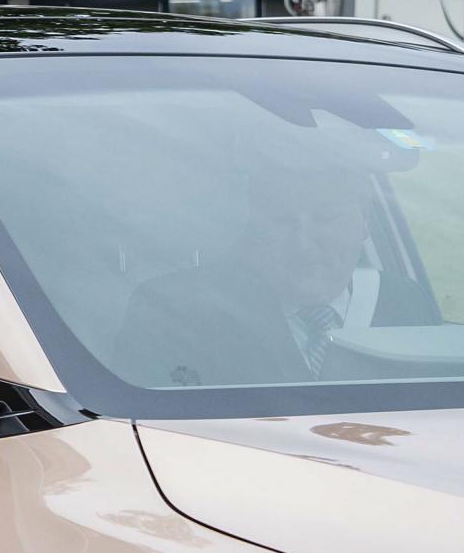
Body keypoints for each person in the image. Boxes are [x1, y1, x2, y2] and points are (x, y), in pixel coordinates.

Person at [113, 166, 382, 388]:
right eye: (282, 221)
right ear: (252, 230)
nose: (303, 243)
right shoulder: (173, 312)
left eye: (325, 218)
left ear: (365, 221)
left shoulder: (410, 308)